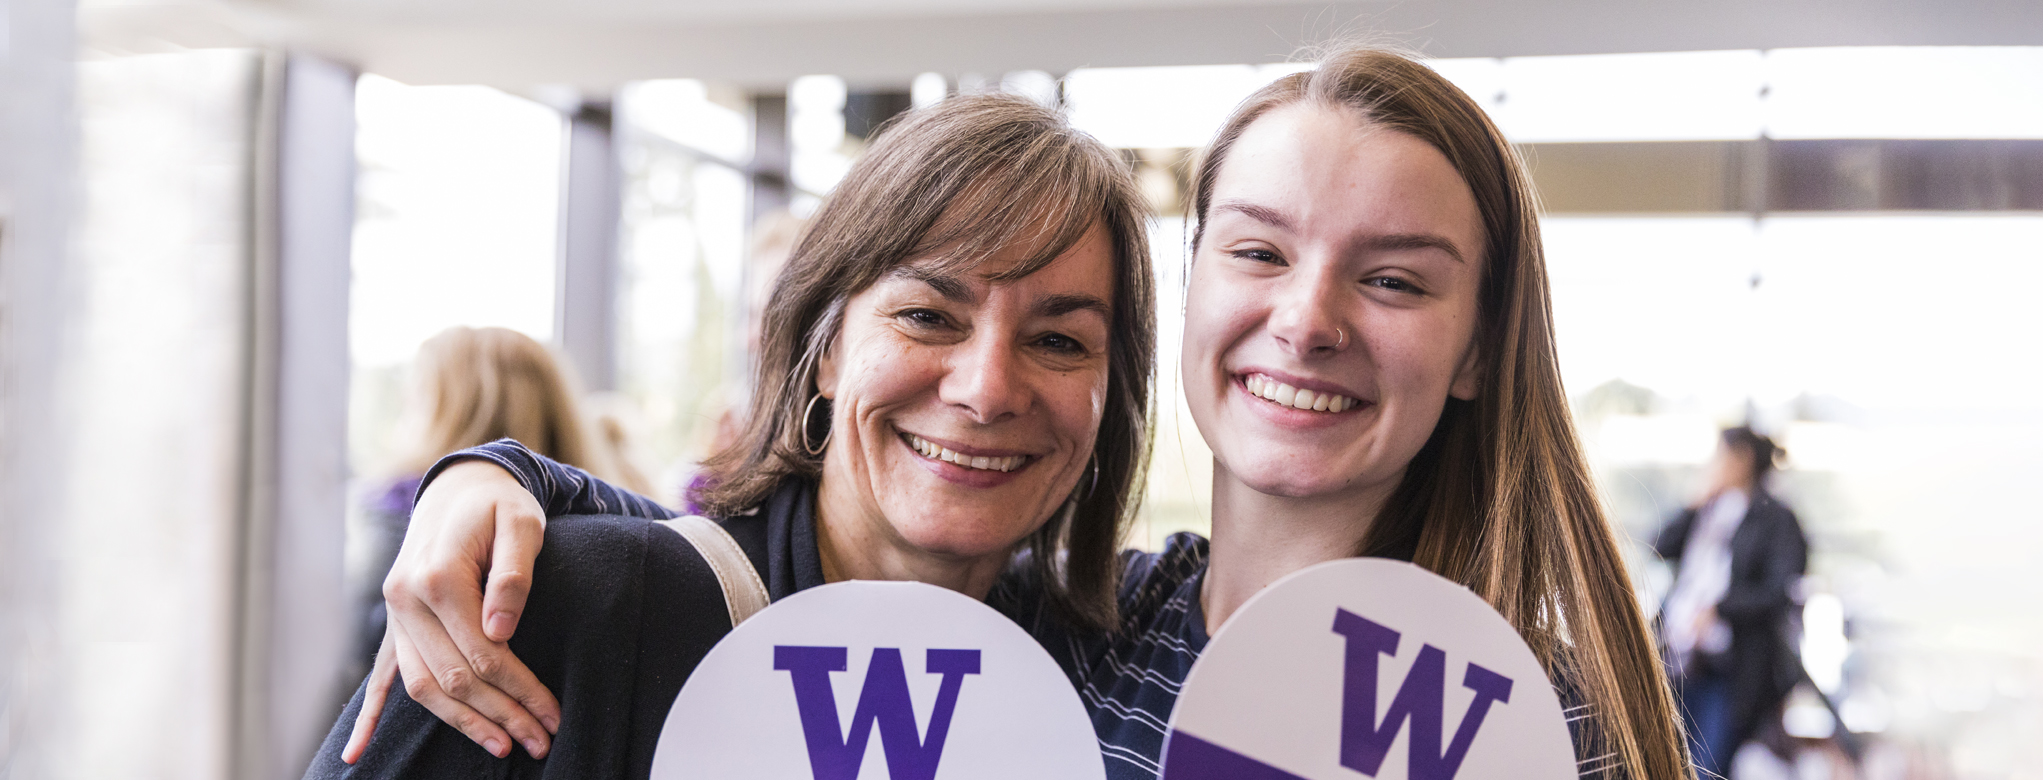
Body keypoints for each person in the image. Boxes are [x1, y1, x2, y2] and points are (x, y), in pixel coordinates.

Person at [354, 45, 1692, 780]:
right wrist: (502, 479)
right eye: (1262, 251)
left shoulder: (1526, 728)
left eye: (1394, 278)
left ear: (1480, 346)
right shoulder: (1071, 630)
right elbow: (760, 577)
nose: (1309, 319)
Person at [305, 92, 1158, 777]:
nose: (986, 390)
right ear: (824, 349)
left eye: (1058, 340)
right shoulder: (581, 606)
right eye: (929, 315)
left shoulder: (1092, 677)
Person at [350, 327, 634, 668]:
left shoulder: (403, 509)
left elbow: (369, 642)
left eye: (417, 398)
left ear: (448, 413)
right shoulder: (613, 521)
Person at [1655, 426, 1809, 778]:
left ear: (1742, 460)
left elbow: (1779, 592)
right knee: (1669, 758)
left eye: (1720, 456)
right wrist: (1692, 503)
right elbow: (1659, 546)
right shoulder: (1707, 508)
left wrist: (1720, 609)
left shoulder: (1775, 519)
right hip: (1679, 659)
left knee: (1708, 766)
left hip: (1732, 668)